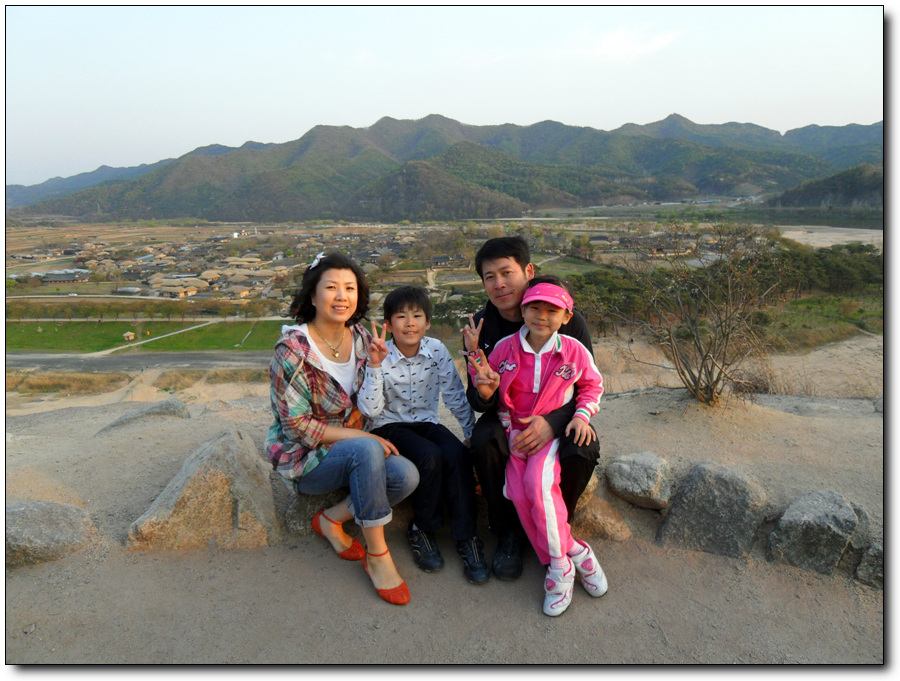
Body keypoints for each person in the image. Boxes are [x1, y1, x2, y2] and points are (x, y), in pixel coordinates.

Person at [266, 252, 419, 606]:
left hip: (354, 449)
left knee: (406, 476)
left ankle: (330, 520)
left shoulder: (362, 338)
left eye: (349, 288)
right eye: (331, 287)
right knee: (367, 448)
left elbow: (369, 407)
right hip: (306, 458)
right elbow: (296, 427)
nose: (341, 296)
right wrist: (361, 436)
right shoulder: (292, 351)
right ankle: (378, 555)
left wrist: (376, 367)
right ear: (312, 294)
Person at [465, 276, 608, 616]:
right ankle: (576, 552)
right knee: (516, 493)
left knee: (538, 486)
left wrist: (581, 416)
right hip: (515, 435)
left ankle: (558, 568)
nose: (541, 316)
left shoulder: (573, 350)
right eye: (534, 308)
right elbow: (487, 383)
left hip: (548, 436)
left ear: (566, 317)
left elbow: (592, 386)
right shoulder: (505, 348)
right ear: (523, 310)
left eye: (551, 311)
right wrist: (482, 377)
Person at [357, 285, 490, 585]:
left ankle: (467, 536)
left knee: (457, 453)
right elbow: (370, 410)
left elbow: (454, 394)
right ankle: (422, 529)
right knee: (430, 456)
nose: (410, 323)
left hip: (426, 421)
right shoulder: (379, 354)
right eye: (401, 316)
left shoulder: (436, 350)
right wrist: (375, 365)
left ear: (427, 322)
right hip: (389, 425)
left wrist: (469, 432)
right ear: (388, 324)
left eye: (417, 316)